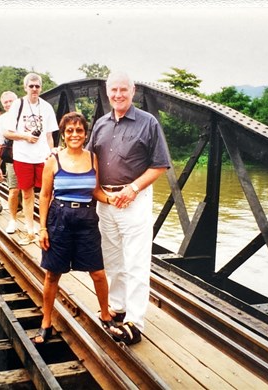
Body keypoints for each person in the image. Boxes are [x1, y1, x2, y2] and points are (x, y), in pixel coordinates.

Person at [86, 71, 170, 345]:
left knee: (136, 262)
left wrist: (133, 188)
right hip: (106, 202)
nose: (118, 95)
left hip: (134, 201)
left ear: (133, 91)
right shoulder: (100, 124)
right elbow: (90, 162)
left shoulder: (148, 123)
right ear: (107, 92)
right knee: (112, 261)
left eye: (124, 89)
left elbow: (159, 165)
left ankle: (135, 320)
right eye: (114, 90)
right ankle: (118, 307)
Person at [33, 112, 115, 344]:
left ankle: (106, 315)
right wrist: (42, 229)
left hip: (87, 219)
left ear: (85, 134)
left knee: (98, 273)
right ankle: (46, 322)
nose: (74, 134)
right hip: (59, 219)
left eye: (79, 130)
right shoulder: (53, 161)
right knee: (52, 274)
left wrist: (113, 199)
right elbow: (45, 195)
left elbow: (96, 191)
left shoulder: (92, 158)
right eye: (69, 130)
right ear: (64, 134)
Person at [4, 73, 59, 244]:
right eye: (31, 86)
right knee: (27, 194)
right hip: (23, 156)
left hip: (42, 157)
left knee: (46, 194)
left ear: (40, 88)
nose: (34, 89)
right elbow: (8, 132)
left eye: (37, 86)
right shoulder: (17, 105)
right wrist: (26, 137)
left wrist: (52, 154)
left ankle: (44, 228)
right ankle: (29, 231)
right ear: (25, 87)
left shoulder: (47, 107)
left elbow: (49, 135)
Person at [0, 91, 19, 233]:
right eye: (6, 103)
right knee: (14, 190)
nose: (9, 104)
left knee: (30, 191)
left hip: (28, 158)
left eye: (11, 101)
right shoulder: (1, 119)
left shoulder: (26, 114)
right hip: (12, 158)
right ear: (3, 105)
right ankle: (13, 220)